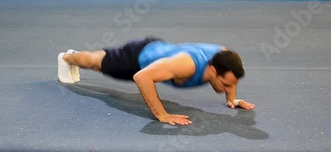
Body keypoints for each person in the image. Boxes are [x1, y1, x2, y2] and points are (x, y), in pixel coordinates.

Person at [57, 36, 255, 126]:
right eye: (226, 84)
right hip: (135, 59)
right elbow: (141, 77)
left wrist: (233, 99)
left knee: (97, 61)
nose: (228, 87)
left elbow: (232, 76)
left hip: (159, 52)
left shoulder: (224, 56)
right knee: (94, 62)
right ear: (212, 70)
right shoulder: (188, 65)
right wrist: (162, 115)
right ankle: (67, 57)